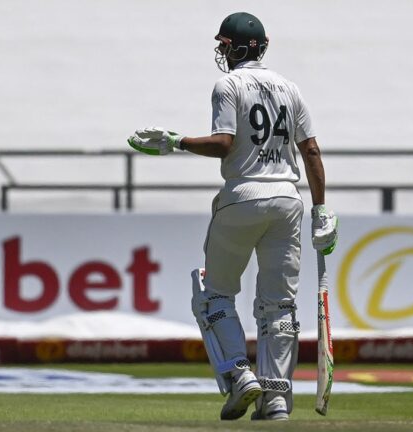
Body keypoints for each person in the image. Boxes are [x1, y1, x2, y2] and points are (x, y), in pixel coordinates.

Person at [127, 12, 338, 421]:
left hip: (242, 195)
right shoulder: (290, 88)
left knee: (214, 293)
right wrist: (321, 209)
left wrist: (177, 142)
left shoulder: (228, 85)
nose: (222, 51)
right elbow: (310, 150)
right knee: (279, 305)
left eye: (225, 45)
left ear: (240, 47)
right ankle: (276, 395)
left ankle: (240, 376)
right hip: (287, 201)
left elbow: (225, 144)